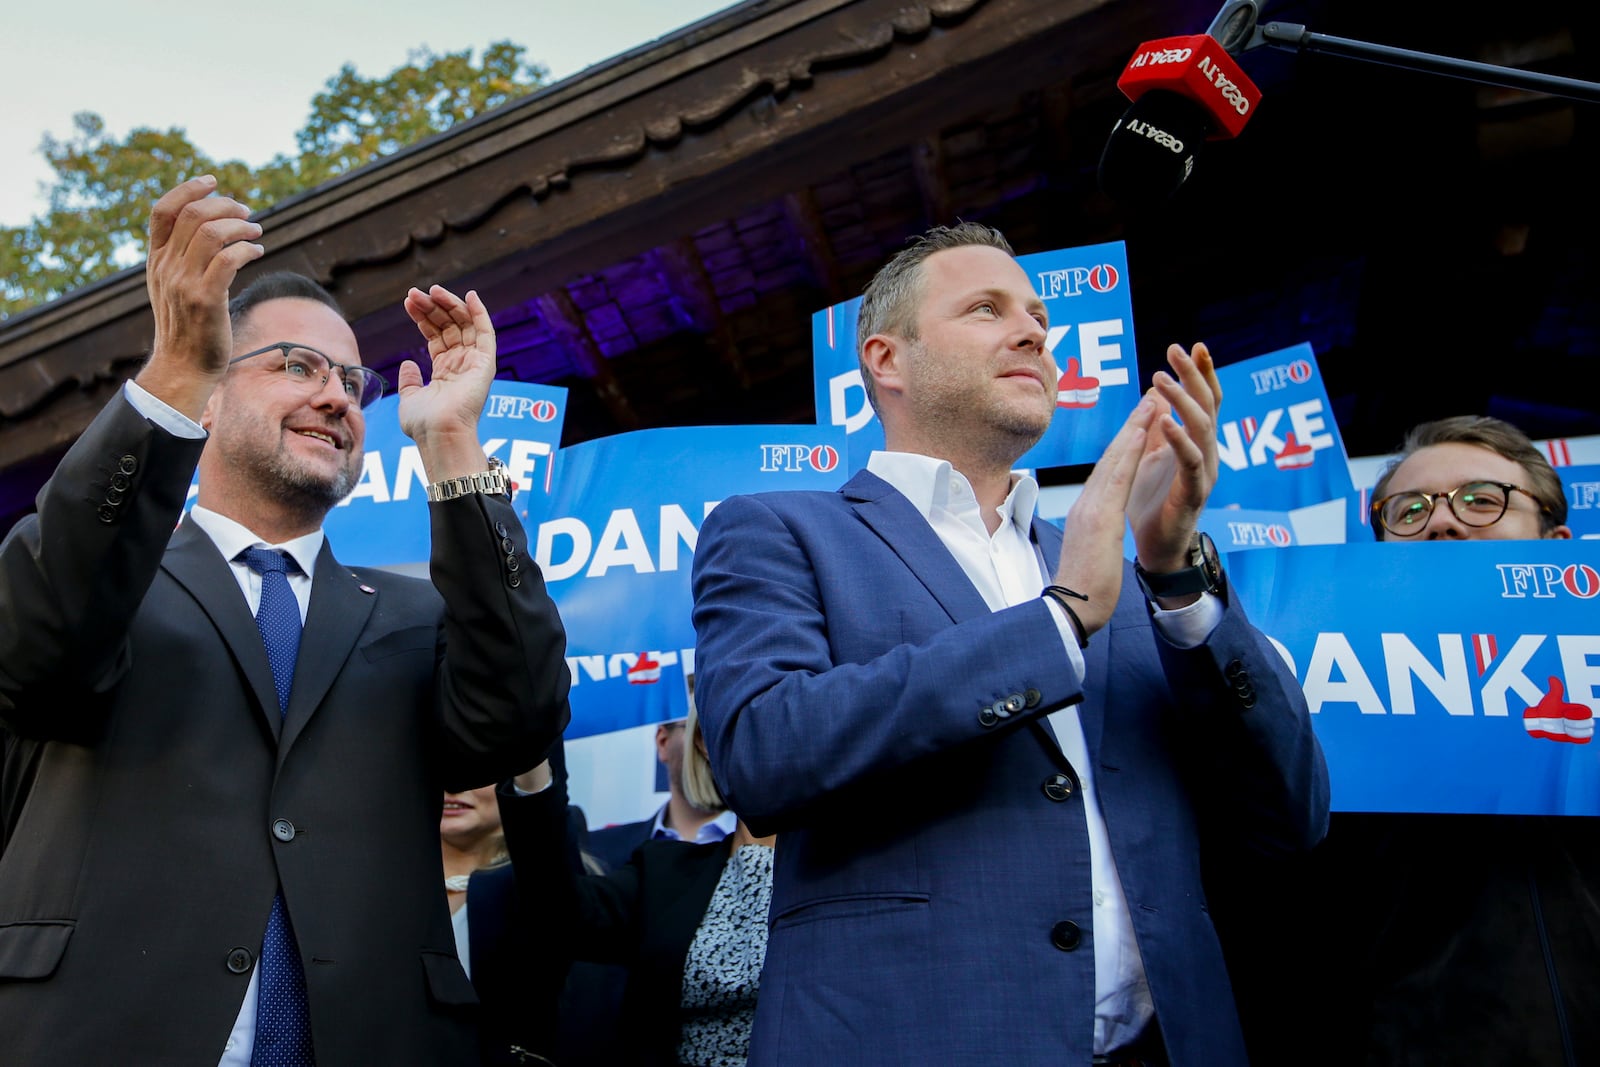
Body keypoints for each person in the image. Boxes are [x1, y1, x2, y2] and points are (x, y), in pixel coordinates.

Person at [688, 221, 1329, 1066]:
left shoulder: (1126, 564)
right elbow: (761, 755)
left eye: (1037, 316)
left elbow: (1290, 816)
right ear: (887, 360)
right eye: (987, 310)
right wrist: (1057, 623)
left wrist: (1175, 577)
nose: (1034, 330)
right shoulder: (776, 529)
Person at [0, 175, 570, 1066]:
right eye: (297, 366)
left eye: (352, 380)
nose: (340, 397)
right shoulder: (109, 582)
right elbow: (34, 647)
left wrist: (454, 443)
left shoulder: (418, 613)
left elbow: (522, 715)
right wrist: (174, 372)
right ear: (214, 396)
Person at [1232, 414, 1591, 1067]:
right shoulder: (1303, 700)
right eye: (1409, 509)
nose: (1443, 521)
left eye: (1483, 500)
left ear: (1558, 541)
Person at [504, 701, 775, 1067]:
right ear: (706, 744)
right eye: (752, 718)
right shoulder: (665, 870)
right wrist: (533, 754)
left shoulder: (861, 866)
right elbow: (559, 912)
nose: (778, 736)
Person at [585, 716, 738, 872]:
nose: (714, 744)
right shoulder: (598, 852)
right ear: (663, 741)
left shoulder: (758, 849)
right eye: (700, 729)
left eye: (731, 730)